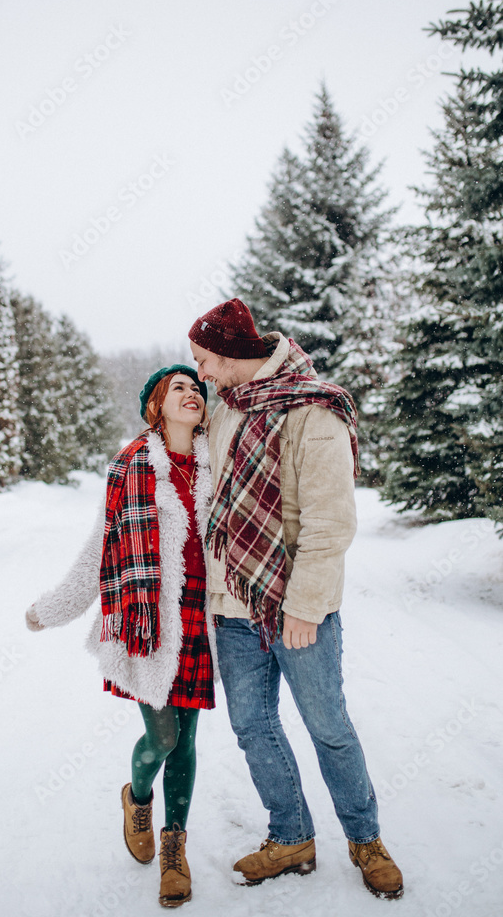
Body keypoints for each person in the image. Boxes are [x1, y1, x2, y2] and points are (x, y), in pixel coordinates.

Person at [188, 298, 404, 900]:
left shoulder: (313, 410)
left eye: (206, 360)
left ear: (232, 354)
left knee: (328, 726)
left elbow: (330, 521)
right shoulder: (224, 408)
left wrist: (305, 607)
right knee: (253, 727)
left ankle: (366, 839)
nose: (201, 373)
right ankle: (291, 838)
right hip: (233, 610)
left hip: (297, 608)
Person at [25, 365, 217, 909]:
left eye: (196, 388)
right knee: (163, 738)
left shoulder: (215, 463)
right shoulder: (130, 467)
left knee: (190, 740)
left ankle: (174, 844)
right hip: (147, 626)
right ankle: (137, 798)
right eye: (177, 388)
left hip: (200, 622)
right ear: (156, 405)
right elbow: (97, 552)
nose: (191, 394)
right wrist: (51, 609)